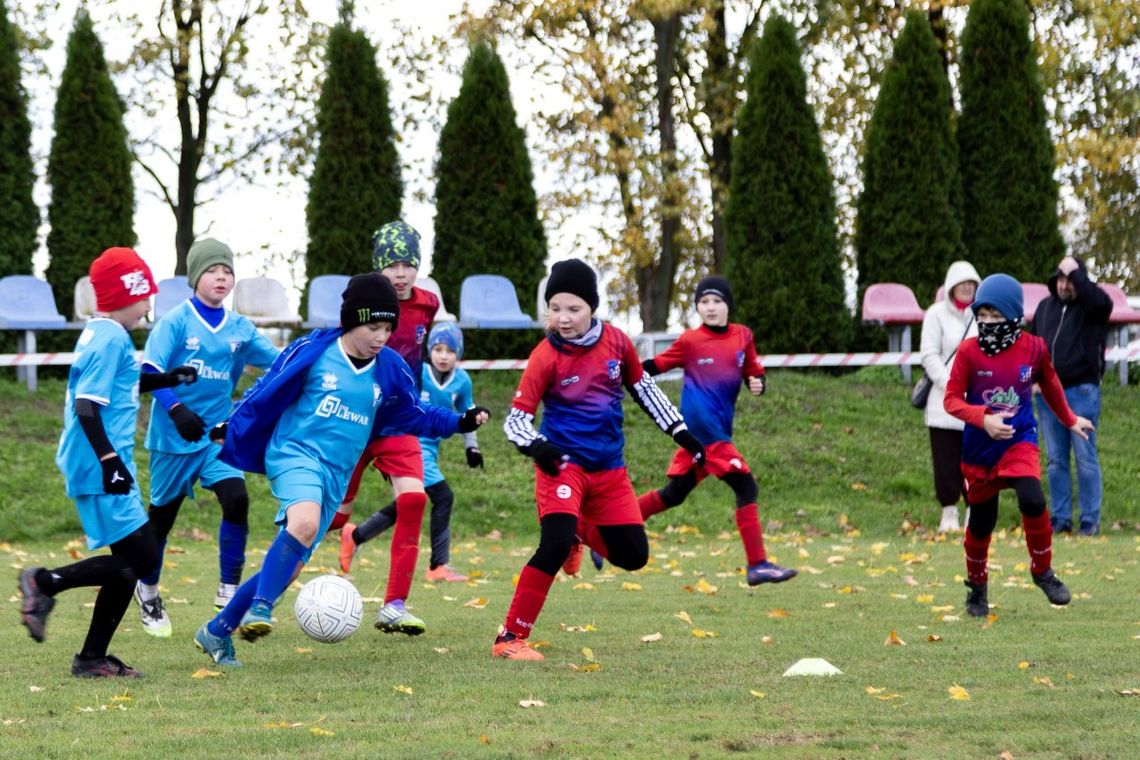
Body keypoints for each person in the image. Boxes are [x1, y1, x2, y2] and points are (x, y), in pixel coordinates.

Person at [193, 274, 487, 667]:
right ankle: (259, 609)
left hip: (336, 474)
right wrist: (232, 423)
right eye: (373, 327)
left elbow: (416, 415)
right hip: (295, 453)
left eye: (387, 328)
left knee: (289, 566)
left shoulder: (390, 370)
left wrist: (459, 423)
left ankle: (216, 631)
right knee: (303, 523)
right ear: (351, 321)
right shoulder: (314, 350)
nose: (381, 336)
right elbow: (267, 387)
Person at [493, 258, 706, 661]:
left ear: (592, 307)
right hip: (562, 466)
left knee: (633, 556)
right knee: (553, 545)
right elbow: (516, 421)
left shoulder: (618, 342)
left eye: (573, 308)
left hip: (609, 470)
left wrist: (682, 432)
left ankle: (580, 530)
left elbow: (645, 391)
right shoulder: (545, 355)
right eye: (555, 308)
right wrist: (538, 446)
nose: (563, 318)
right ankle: (509, 639)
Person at [18, 247, 198, 678]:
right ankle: (43, 583)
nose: (148, 306)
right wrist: (109, 460)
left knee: (132, 565)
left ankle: (92, 658)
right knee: (142, 558)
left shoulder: (104, 334)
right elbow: (85, 405)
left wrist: (166, 379)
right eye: (144, 297)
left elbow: (121, 381)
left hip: (105, 464)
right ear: (124, 295)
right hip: (100, 466)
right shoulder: (111, 337)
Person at [135, 238, 279, 637]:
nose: (221, 277)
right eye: (213, 270)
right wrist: (176, 410)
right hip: (173, 438)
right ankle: (146, 590)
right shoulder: (175, 322)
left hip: (217, 437)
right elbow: (149, 370)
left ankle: (229, 591)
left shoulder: (240, 328)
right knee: (160, 522)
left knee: (237, 498)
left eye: (228, 271)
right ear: (196, 277)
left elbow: (282, 364)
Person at [943, 274, 1094, 618]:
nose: (987, 323)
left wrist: (1069, 418)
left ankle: (1042, 571)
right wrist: (983, 418)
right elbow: (951, 400)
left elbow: (1051, 383)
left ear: (1012, 315)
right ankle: (977, 589)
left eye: (995, 317)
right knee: (982, 522)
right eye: (981, 316)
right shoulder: (968, 352)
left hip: (1019, 440)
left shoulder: (1034, 347)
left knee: (1032, 498)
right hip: (979, 450)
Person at [634, 276, 796, 584]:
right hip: (705, 433)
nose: (710, 307)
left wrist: (757, 383)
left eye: (717, 301)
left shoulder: (743, 336)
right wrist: (621, 370)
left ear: (728, 306)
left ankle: (609, 526)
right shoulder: (690, 341)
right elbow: (656, 365)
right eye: (704, 302)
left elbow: (752, 370)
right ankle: (758, 564)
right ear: (697, 307)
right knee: (746, 487)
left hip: (714, 433)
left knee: (673, 495)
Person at [337, 220, 444, 635]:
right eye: (391, 264)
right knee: (326, 519)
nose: (400, 273)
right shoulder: (362, 300)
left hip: (398, 421)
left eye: (408, 264)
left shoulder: (428, 304)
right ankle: (263, 598)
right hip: (354, 420)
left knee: (415, 500)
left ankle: (395, 605)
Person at [339, 322, 483, 582]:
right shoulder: (419, 374)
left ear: (458, 355)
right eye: (438, 349)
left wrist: (472, 447)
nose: (443, 356)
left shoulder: (462, 381)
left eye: (450, 351)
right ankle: (438, 566)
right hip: (411, 443)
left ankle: (356, 535)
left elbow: (469, 413)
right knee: (443, 497)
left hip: (432, 449)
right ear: (430, 350)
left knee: (408, 502)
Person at [1031, 256, 1113, 535]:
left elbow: (1104, 303)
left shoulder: (1093, 308)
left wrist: (1078, 275)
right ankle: (1060, 519)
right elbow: (1033, 347)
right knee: (1055, 459)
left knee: (1085, 456)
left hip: (1082, 391)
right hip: (1048, 396)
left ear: (1080, 280)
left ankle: (1089, 520)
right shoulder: (1044, 308)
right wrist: (1033, 379)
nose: (1066, 285)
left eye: (1071, 279)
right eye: (1061, 279)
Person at [919, 261, 981, 533]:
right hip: (943, 403)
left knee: (975, 462)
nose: (967, 288)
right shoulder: (935, 314)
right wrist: (951, 385)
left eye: (972, 283)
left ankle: (974, 511)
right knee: (945, 462)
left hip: (976, 404)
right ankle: (948, 512)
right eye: (962, 282)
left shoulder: (983, 315)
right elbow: (929, 354)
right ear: (952, 286)